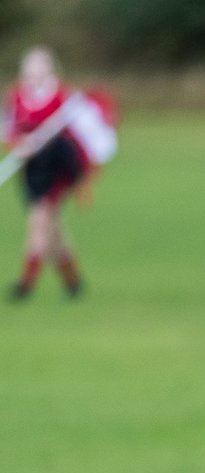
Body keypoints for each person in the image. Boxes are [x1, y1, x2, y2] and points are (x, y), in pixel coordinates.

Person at [4, 47, 87, 302]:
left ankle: (25, 286)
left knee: (38, 223)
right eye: (30, 67)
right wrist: (20, 144)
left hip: (55, 169)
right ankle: (73, 282)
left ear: (50, 69)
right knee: (53, 232)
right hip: (30, 170)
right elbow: (7, 129)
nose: (34, 72)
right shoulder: (17, 97)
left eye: (39, 67)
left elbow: (77, 134)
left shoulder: (62, 98)